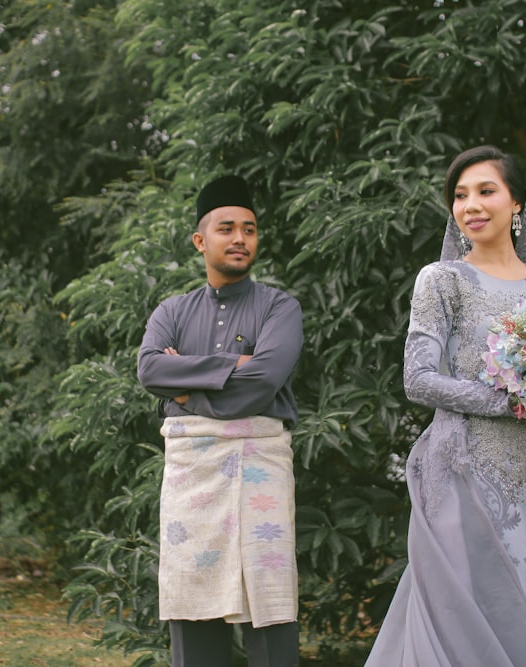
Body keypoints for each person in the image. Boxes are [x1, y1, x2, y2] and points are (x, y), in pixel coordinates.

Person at [364, 146, 526, 666]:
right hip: (468, 469)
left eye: (486, 191)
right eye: (460, 196)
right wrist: (510, 402)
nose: (471, 205)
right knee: (471, 614)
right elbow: (418, 380)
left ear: (517, 204)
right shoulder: (442, 281)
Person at [137, 174, 303, 667]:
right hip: (193, 475)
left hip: (260, 468)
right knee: (193, 604)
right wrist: (232, 370)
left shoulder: (279, 306)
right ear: (200, 240)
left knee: (268, 606)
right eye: (227, 228)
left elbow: (265, 380)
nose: (239, 239)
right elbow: (149, 368)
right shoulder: (172, 310)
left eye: (249, 230)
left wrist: (185, 388)